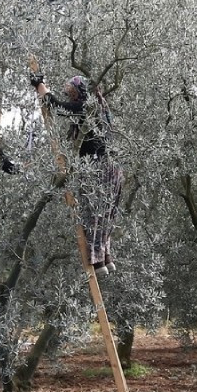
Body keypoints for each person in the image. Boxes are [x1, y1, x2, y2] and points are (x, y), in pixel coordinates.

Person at [31, 72, 123, 274]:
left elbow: (56, 106)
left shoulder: (86, 107)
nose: (71, 97)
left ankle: (97, 263)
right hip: (113, 169)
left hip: (99, 167)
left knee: (92, 212)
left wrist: (40, 86)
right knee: (105, 215)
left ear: (80, 93)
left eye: (72, 93)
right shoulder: (100, 108)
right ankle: (106, 259)